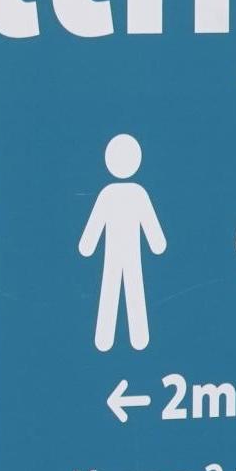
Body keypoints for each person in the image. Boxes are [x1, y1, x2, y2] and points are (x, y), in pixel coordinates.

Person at [79, 132, 165, 352]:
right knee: (130, 289)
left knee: (113, 289)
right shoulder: (134, 194)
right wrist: (157, 245)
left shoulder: (115, 194)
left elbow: (92, 231)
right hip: (125, 255)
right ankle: (137, 338)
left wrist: (87, 246)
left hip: (120, 255)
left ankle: (108, 339)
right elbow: (153, 232)